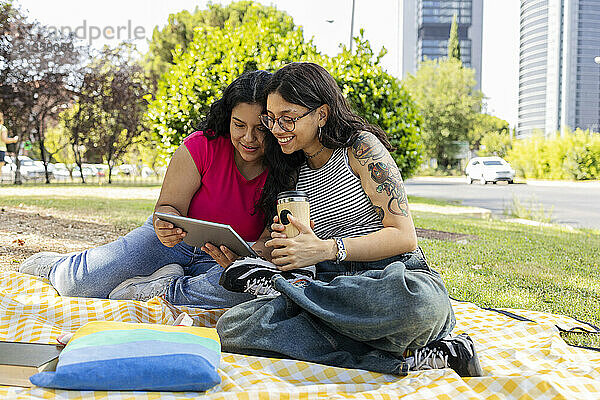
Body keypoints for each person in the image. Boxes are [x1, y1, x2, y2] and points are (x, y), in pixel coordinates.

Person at [216, 62, 483, 377]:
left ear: (322, 114)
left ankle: (292, 293)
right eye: (271, 119)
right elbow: (288, 246)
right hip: (330, 287)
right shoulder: (288, 168)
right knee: (233, 328)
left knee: (421, 307)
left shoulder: (360, 148)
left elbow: (404, 236)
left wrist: (327, 248)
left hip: (391, 279)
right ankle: (416, 357)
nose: (276, 129)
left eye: (288, 119)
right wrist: (266, 251)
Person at [18, 70, 287, 308]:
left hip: (221, 259)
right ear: (227, 118)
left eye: (260, 128)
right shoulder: (201, 146)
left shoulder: (285, 168)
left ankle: (163, 288)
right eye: (239, 125)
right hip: (172, 244)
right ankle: (59, 267)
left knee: (259, 289)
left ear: (274, 123)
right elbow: (167, 208)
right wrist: (164, 225)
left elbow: (266, 243)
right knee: (76, 287)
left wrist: (246, 260)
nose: (248, 138)